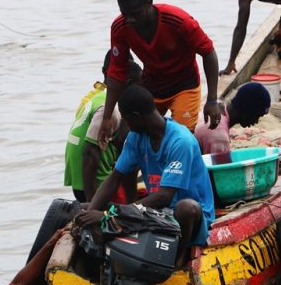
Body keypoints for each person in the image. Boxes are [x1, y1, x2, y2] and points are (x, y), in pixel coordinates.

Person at [78, 84, 215, 265]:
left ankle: (176, 261)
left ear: (136, 117)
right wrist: (92, 212)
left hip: (188, 215)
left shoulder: (181, 141)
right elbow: (114, 179)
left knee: (186, 207)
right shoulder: (136, 138)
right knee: (84, 206)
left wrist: (111, 216)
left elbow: (165, 196)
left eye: (126, 120)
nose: (126, 125)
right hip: (156, 211)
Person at [97, 0, 221, 148]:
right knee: (137, 137)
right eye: (126, 15)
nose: (131, 20)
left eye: (136, 14)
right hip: (153, 86)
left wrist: (212, 100)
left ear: (149, 4)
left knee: (181, 140)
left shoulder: (178, 20)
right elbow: (117, 72)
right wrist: (107, 117)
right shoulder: (120, 27)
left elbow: (208, 52)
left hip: (185, 85)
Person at [64, 51, 141, 202]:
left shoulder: (97, 96)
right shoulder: (108, 108)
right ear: (129, 83)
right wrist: (92, 202)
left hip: (78, 178)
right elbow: (89, 153)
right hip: (92, 182)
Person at [194, 82, 271, 154]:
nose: (256, 121)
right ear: (247, 109)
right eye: (257, 115)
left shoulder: (216, 106)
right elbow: (219, 167)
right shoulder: (219, 137)